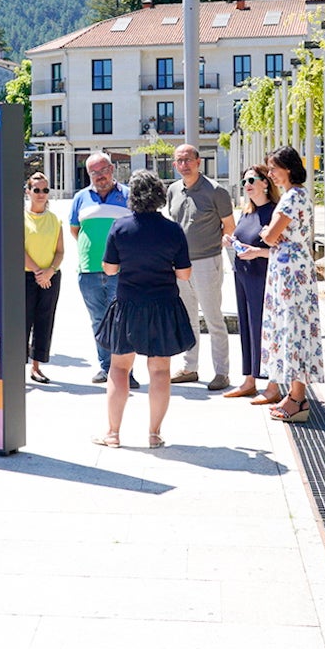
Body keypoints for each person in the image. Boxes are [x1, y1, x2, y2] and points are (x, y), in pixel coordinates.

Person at [92, 170, 195, 449]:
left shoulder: (120, 228)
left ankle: (113, 433)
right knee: (160, 371)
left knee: (119, 368)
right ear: (160, 195)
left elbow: (110, 268)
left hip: (128, 305)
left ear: (132, 197)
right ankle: (154, 433)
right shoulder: (173, 230)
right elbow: (184, 274)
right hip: (163, 306)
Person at [258, 146, 325, 421]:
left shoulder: (289, 199)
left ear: (288, 168)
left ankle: (297, 398)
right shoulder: (300, 196)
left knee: (292, 328)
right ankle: (294, 394)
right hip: (295, 267)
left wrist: (266, 231)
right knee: (295, 328)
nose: (270, 173)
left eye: (274, 168)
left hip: (289, 271)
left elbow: (270, 236)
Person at [166, 144, 235, 390]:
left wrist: (213, 247)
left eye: (187, 160)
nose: (183, 164)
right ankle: (189, 367)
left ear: (198, 162)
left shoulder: (216, 191)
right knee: (187, 318)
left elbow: (229, 226)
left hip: (207, 263)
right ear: (175, 165)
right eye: (179, 161)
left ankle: (222, 372)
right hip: (180, 265)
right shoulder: (173, 190)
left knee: (214, 319)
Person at [70, 152, 138, 388]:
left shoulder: (129, 195)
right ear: (89, 174)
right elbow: (75, 230)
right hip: (88, 271)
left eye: (103, 170)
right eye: (94, 172)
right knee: (98, 321)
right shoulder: (80, 198)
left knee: (122, 321)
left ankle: (125, 371)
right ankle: (106, 367)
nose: (100, 176)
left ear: (112, 168)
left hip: (122, 271)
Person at [222, 165, 279, 399]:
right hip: (243, 275)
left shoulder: (276, 213)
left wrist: (258, 252)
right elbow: (242, 237)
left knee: (264, 329)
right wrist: (230, 240)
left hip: (263, 277)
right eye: (244, 181)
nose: (247, 185)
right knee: (246, 326)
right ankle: (249, 380)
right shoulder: (247, 212)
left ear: (266, 183)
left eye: (252, 180)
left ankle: (273, 386)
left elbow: (283, 251)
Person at [23, 172, 64, 384]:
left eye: (45, 190)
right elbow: (18, 250)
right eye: (36, 190)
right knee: (22, 322)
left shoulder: (55, 220)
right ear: (28, 191)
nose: (41, 194)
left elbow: (60, 251)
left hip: (50, 278)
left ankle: (37, 367)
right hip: (26, 277)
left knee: (44, 321)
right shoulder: (20, 218)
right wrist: (39, 272)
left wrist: (50, 271)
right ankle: (17, 369)